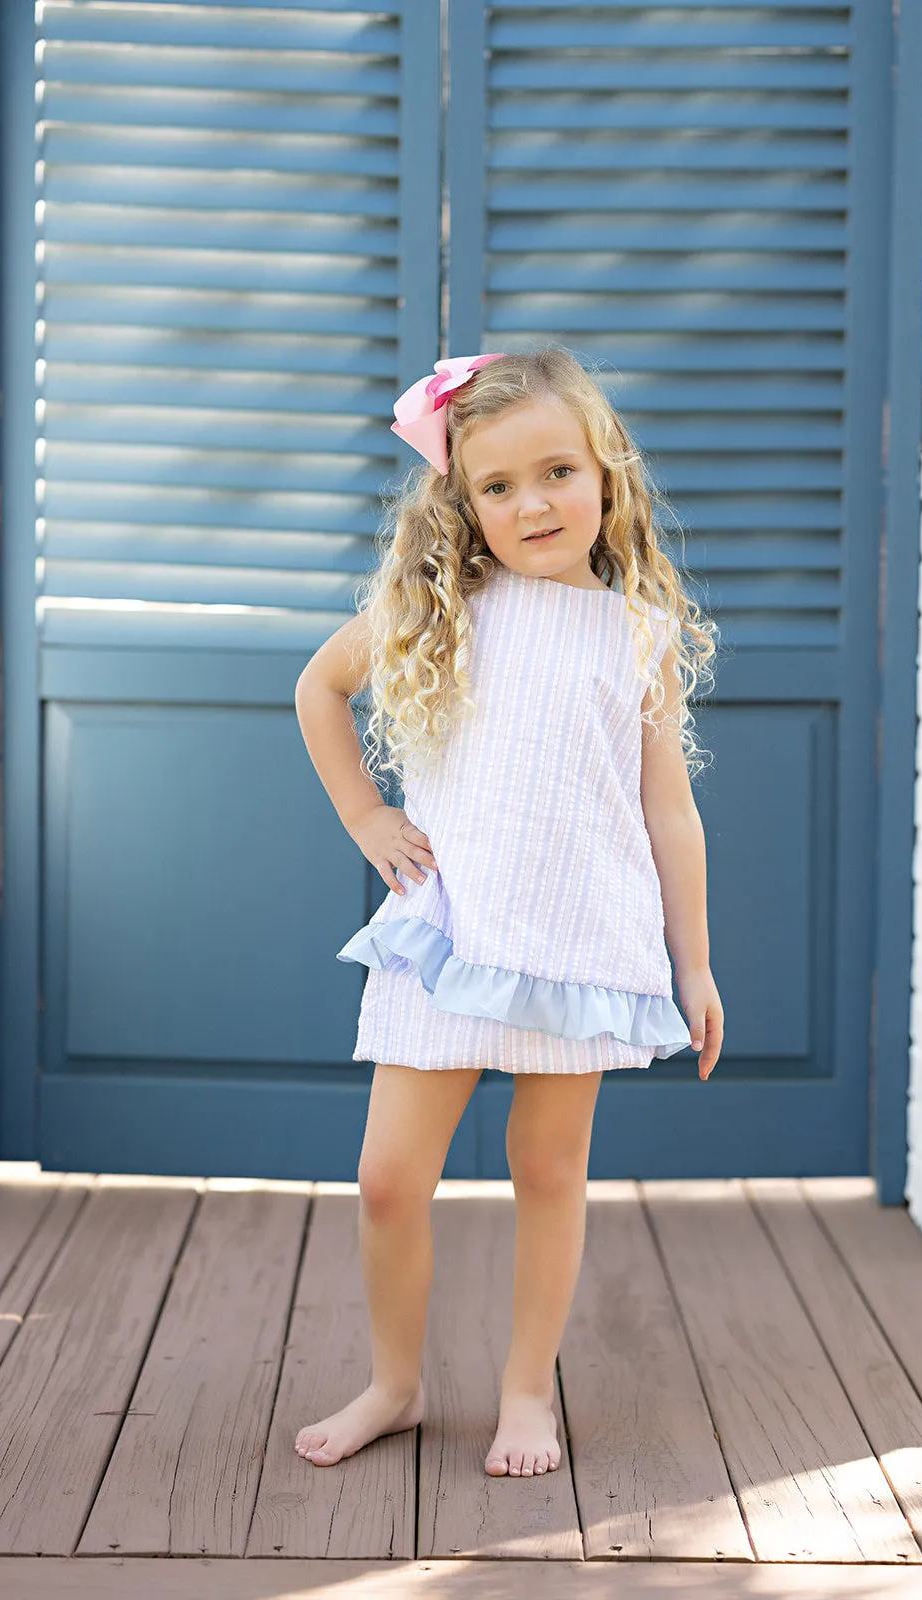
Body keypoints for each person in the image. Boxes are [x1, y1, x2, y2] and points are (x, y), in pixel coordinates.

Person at [293, 346, 723, 1480]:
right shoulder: (446, 607)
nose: (531, 503)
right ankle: (395, 1381)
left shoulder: (635, 632)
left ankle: (527, 1388)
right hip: (452, 937)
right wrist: (364, 817)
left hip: (578, 939)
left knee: (547, 1163)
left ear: (606, 475)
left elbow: (669, 813)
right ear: (463, 500)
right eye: (496, 485)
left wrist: (698, 967)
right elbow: (319, 689)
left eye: (557, 472)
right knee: (389, 1175)